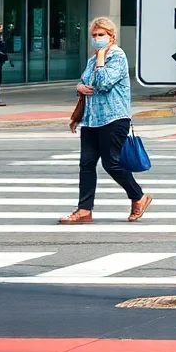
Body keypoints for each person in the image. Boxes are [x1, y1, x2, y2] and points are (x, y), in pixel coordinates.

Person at [59, 17, 151, 225]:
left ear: (112, 36)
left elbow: (103, 83)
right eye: (94, 35)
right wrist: (79, 88)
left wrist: (101, 58)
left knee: (112, 163)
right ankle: (84, 210)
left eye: (101, 35)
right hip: (91, 120)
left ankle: (138, 196)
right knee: (86, 164)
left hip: (114, 118)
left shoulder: (117, 56)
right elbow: (84, 82)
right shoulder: (93, 59)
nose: (97, 39)